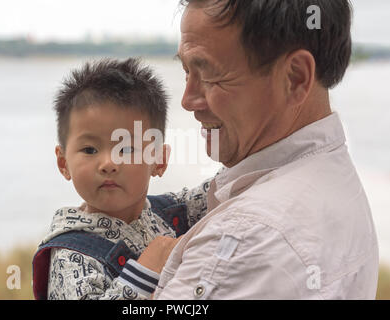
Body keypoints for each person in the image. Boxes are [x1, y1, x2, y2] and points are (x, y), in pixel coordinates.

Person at [130, 0, 379, 299]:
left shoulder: (246, 240)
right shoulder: (335, 178)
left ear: (295, 78)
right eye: (186, 72)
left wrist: (136, 280)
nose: (188, 100)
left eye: (209, 74)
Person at [32, 58, 209, 300]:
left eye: (126, 149)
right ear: (64, 163)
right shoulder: (71, 255)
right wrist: (146, 269)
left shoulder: (170, 212)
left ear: (158, 159)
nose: (108, 164)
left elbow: (228, 186)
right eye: (90, 150)